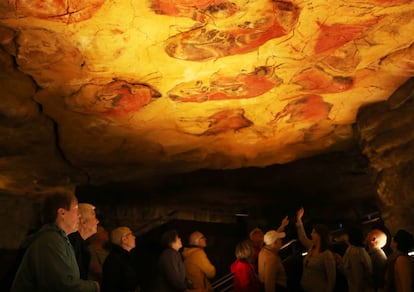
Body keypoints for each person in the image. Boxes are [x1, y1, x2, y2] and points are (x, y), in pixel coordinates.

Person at [11, 191, 99, 291]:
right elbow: (61, 286)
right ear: (62, 213)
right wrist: (94, 287)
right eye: (76, 209)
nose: (79, 215)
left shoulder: (60, 239)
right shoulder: (50, 241)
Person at [296, 207, 336, 292]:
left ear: (320, 235)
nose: (311, 234)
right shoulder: (311, 247)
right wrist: (299, 220)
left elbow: (331, 279)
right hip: (304, 288)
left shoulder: (326, 254)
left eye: (313, 232)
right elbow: (303, 238)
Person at [101, 226, 139, 292]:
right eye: (131, 234)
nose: (134, 237)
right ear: (124, 239)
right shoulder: (114, 260)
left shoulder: (123, 257)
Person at [337, 224, 373, 292]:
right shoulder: (356, 249)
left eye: (346, 235)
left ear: (350, 236)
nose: (344, 237)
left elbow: (358, 279)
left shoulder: (355, 253)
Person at [69, 203, 100, 280]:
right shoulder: (73, 243)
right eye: (94, 217)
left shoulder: (80, 243)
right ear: (83, 222)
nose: (98, 221)